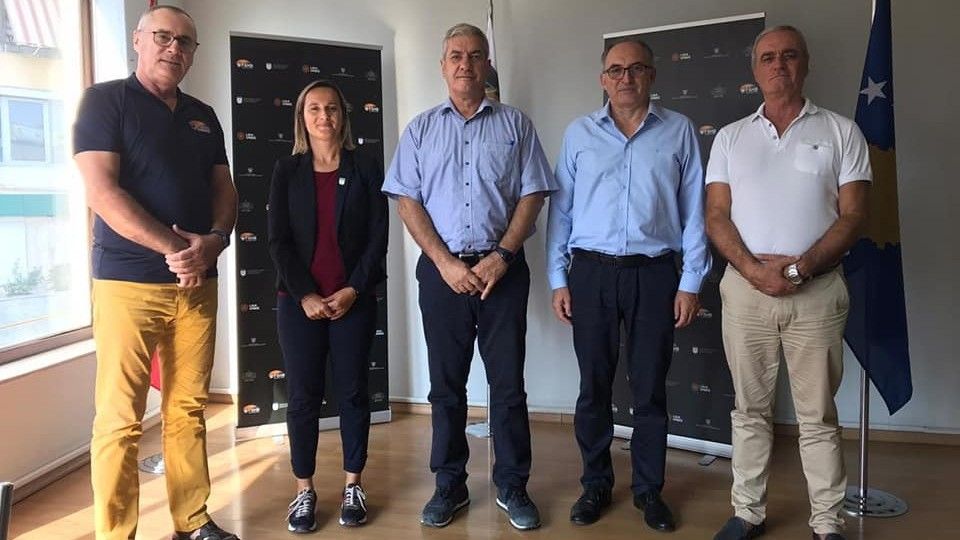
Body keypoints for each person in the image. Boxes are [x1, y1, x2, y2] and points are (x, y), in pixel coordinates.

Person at [73, 5, 238, 540]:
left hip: (197, 285)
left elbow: (224, 188)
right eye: (163, 36)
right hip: (127, 283)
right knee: (120, 420)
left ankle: (191, 522)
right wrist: (176, 249)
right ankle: (116, 533)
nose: (174, 48)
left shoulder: (202, 115)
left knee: (188, 409)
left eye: (185, 42)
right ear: (138, 40)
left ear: (193, 54)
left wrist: (215, 240)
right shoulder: (105, 101)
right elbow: (101, 191)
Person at [382, 22, 555, 531]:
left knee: (508, 385)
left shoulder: (516, 125)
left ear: (486, 65)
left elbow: (533, 194)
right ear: (443, 66)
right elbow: (407, 202)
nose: (465, 63)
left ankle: (512, 485)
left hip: (503, 271)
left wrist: (501, 255)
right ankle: (449, 484)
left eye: (475, 55)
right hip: (443, 273)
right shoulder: (420, 130)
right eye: (456, 55)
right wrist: (445, 263)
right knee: (446, 386)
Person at [705, 26, 870, 540]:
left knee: (818, 415)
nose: (779, 65)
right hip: (746, 292)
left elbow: (854, 216)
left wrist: (800, 269)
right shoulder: (731, 137)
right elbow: (716, 215)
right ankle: (747, 513)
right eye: (768, 57)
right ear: (755, 70)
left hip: (816, 294)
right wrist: (756, 271)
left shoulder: (842, 131)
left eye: (790, 55)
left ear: (806, 63)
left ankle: (827, 523)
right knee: (749, 411)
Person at [545, 37, 711, 532]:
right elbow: (561, 211)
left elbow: (695, 213)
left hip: (654, 274)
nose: (626, 78)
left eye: (636, 68)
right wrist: (558, 278)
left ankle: (648, 490)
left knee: (650, 387)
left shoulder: (679, 131)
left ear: (652, 76)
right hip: (590, 273)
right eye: (616, 70)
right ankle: (596, 484)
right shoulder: (579, 133)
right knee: (593, 387)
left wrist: (691, 282)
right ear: (603, 79)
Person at [267, 80, 388, 533]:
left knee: (353, 392)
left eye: (332, 108)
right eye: (314, 108)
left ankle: (353, 485)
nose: (324, 116)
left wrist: (353, 288)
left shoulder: (365, 167)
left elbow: (378, 236)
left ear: (343, 115)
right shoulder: (287, 170)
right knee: (302, 397)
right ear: (302, 117)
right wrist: (306, 295)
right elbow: (278, 241)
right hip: (299, 304)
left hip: (353, 300)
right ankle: (304, 490)